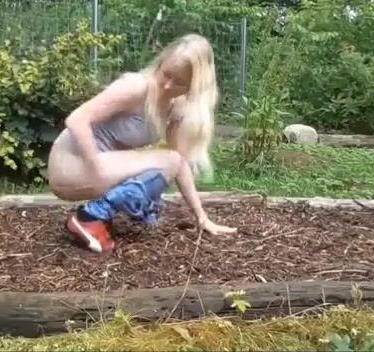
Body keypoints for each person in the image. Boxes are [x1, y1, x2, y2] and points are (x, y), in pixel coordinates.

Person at [46, 33, 237, 253]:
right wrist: (96, 166)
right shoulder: (137, 87)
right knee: (167, 161)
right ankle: (91, 217)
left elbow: (177, 164)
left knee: (168, 163)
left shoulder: (174, 108)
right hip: (71, 164)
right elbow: (77, 119)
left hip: (95, 167)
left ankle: (97, 216)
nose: (168, 85)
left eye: (179, 82)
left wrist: (202, 218)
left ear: (194, 87)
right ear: (160, 63)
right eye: (166, 74)